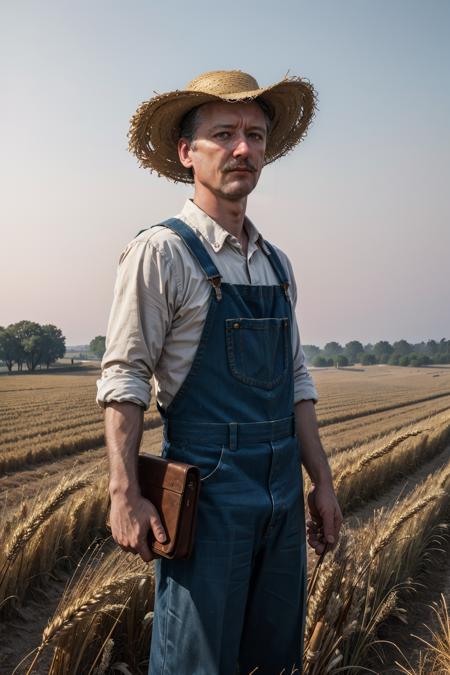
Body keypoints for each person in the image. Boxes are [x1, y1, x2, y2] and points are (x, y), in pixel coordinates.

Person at [96, 69, 342, 675]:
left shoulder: (277, 263)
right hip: (208, 490)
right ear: (187, 152)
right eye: (224, 133)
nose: (243, 149)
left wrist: (323, 482)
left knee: (273, 657)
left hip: (283, 491)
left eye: (255, 136)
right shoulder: (162, 252)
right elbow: (125, 378)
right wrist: (124, 491)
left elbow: (296, 382)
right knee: (196, 661)